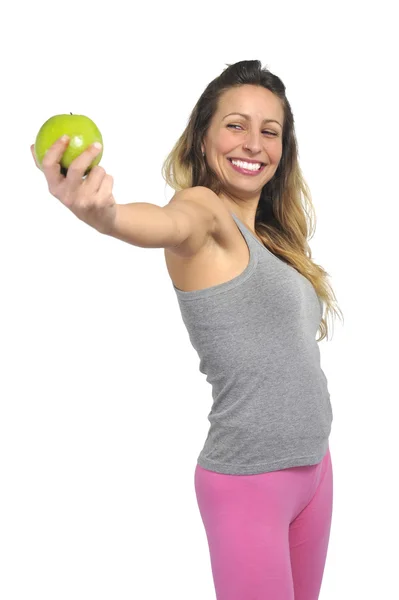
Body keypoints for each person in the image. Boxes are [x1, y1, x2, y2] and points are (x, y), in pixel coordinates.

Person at [31, 59, 343, 600]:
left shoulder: (271, 238)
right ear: (203, 138)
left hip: (315, 469)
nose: (253, 143)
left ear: (283, 151)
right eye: (235, 125)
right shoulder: (203, 213)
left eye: (270, 132)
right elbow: (163, 223)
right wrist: (101, 214)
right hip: (250, 483)